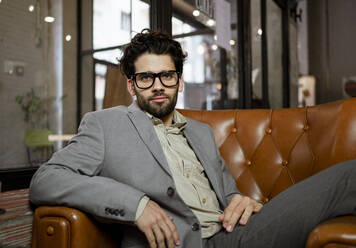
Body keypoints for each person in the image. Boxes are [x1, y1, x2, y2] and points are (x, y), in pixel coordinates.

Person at [29, 29, 356, 248]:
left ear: (179, 82)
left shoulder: (201, 132)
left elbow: (229, 194)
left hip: (233, 236)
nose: (158, 85)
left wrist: (239, 201)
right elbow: (46, 179)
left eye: (167, 75)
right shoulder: (105, 125)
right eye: (146, 77)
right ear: (131, 86)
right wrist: (136, 205)